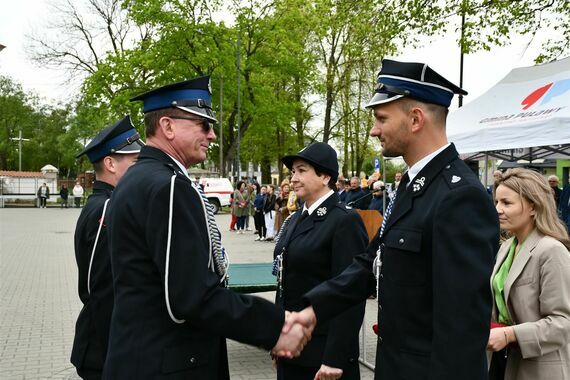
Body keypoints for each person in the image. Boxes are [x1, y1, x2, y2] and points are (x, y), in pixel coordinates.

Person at [287, 59, 500, 380]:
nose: (374, 130)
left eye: (381, 118)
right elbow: (369, 263)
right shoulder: (412, 185)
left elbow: (461, 327)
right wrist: (314, 310)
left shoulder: (459, 196)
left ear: (415, 119)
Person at [104, 76, 309, 379]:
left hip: (141, 356)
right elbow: (192, 296)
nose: (212, 135)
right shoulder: (170, 186)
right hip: (169, 362)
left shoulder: (137, 179)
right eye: (203, 124)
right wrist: (275, 325)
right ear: (168, 126)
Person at [274, 142, 368, 380]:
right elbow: (284, 281)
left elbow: (351, 293)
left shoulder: (344, 221)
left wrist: (334, 358)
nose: (293, 178)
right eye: (293, 171)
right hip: (291, 347)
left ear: (325, 176)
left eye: (301, 170)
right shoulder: (296, 218)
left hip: (322, 357)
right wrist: (276, 337)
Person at [71, 116, 144, 379]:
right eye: (135, 161)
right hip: (103, 350)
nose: (141, 167)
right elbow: (101, 290)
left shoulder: (111, 203)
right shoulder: (106, 208)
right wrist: (119, 354)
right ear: (110, 163)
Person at [487, 168, 570, 380]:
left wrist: (509, 334)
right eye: (497, 202)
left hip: (540, 369)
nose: (497, 209)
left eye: (507, 203)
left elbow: (563, 323)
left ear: (533, 206)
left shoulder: (552, 251)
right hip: (502, 362)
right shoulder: (506, 248)